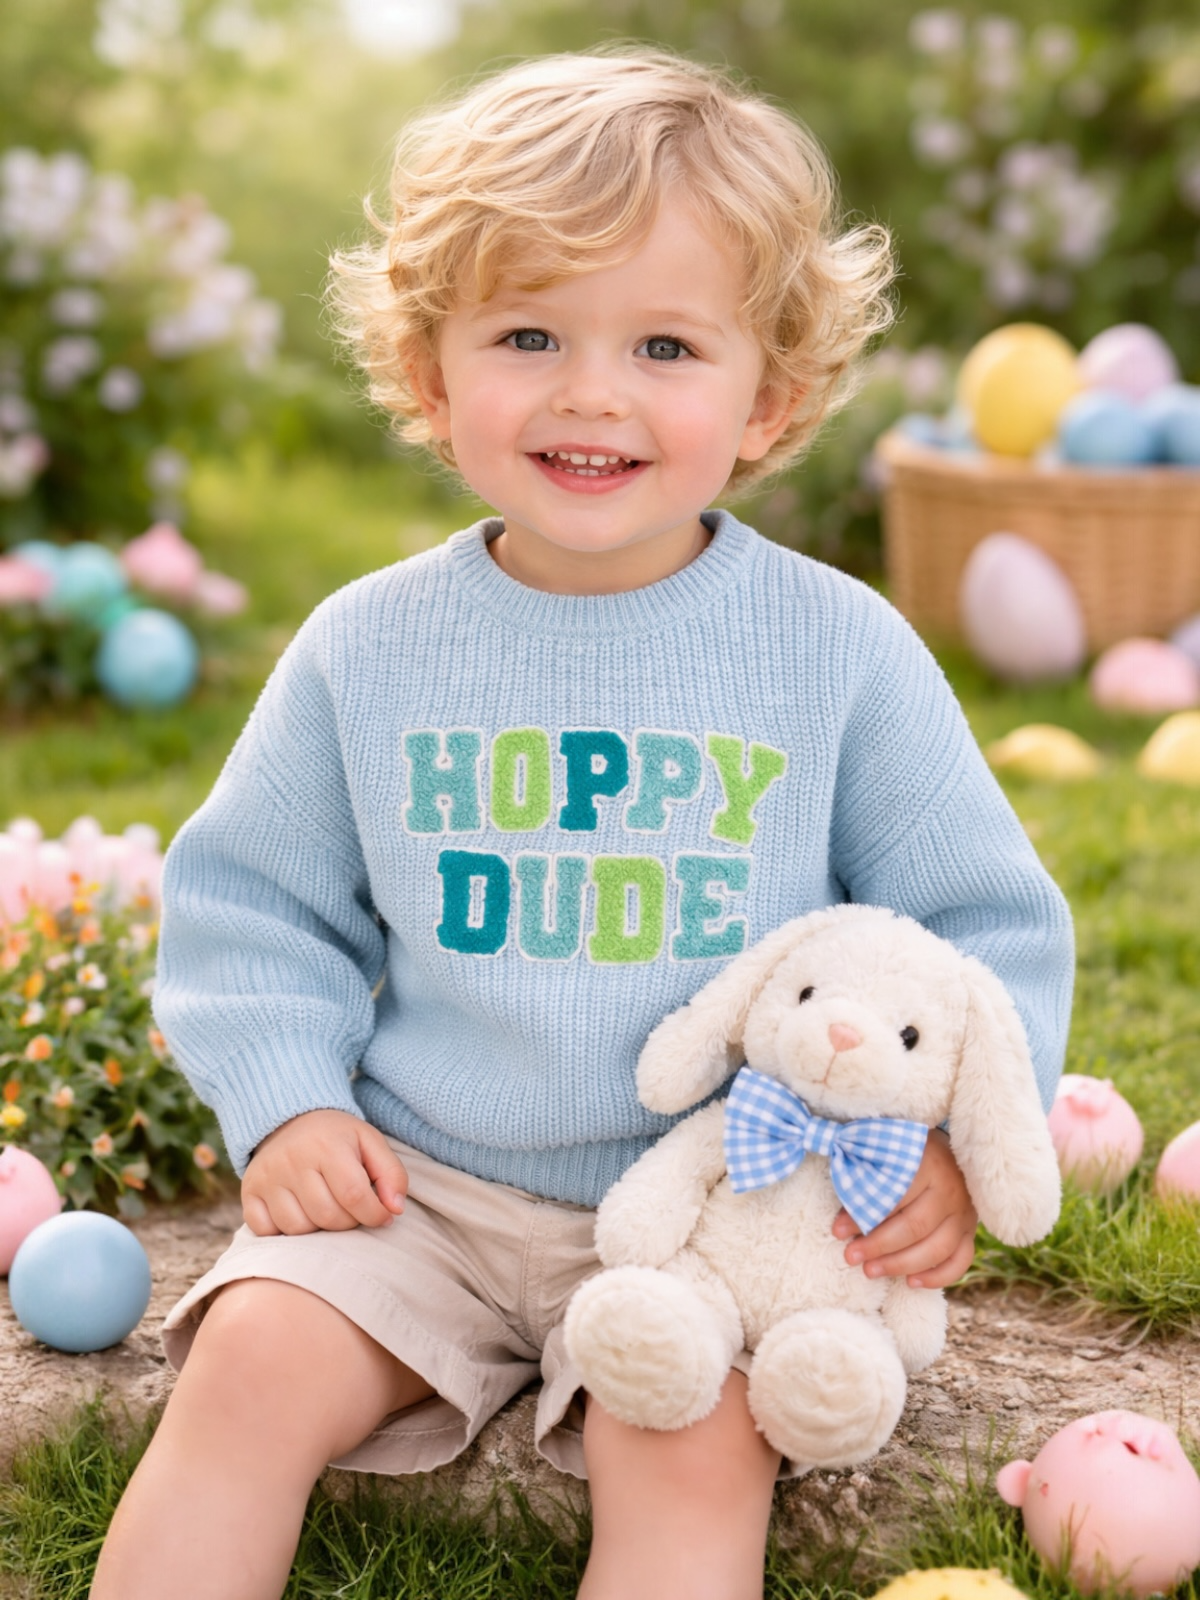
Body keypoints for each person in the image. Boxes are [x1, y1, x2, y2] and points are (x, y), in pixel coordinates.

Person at [90, 46, 1074, 1600]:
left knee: (693, 1459)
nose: (591, 391)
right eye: (528, 332)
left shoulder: (837, 650)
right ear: (429, 371)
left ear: (776, 397)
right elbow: (256, 905)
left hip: (729, 1215)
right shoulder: (371, 646)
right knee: (248, 1369)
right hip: (415, 1191)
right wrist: (286, 1106)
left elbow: (982, 922)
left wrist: (955, 1139)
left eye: (669, 345)